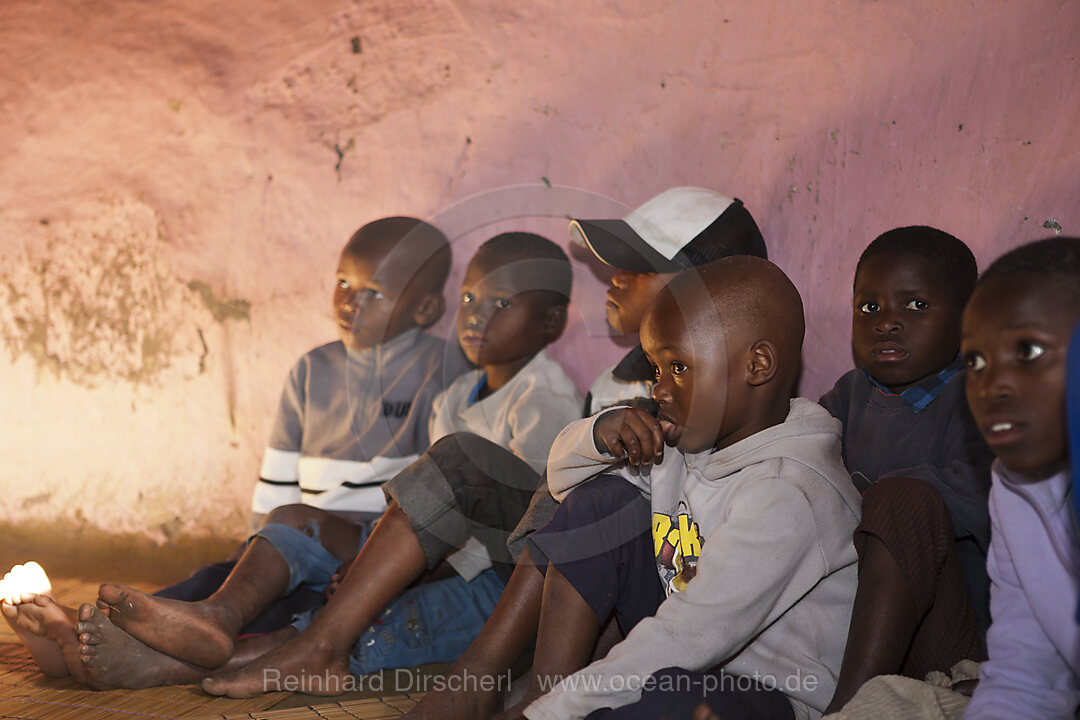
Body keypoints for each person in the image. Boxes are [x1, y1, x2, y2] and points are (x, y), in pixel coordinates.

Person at [2, 231, 584, 691]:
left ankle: (152, 660)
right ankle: (132, 631)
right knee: (245, 561)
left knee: (340, 616)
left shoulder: (503, 387)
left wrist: (396, 566)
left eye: (500, 303)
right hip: (370, 546)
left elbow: (523, 517)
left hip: (434, 566)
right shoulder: (445, 392)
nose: (477, 315)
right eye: (471, 299)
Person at [405, 188, 769, 720]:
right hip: (592, 581)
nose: (615, 280)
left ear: (707, 293)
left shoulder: (731, 407)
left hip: (680, 591)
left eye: (638, 269)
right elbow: (559, 485)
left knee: (595, 497)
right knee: (580, 491)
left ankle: (503, 685)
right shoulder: (609, 385)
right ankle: (497, 683)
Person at [514, 256, 862, 720]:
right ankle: (546, 694)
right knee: (599, 504)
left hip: (767, 693)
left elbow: (691, 636)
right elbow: (561, 481)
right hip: (682, 652)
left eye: (678, 367)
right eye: (656, 371)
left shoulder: (788, 491)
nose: (659, 391)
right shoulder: (686, 445)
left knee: (672, 703)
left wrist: (549, 715)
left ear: (757, 365)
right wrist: (598, 435)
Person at [158, 216, 470, 634]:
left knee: (282, 561)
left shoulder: (440, 372)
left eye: (374, 293)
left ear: (426, 309)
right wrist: (257, 542)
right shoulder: (312, 370)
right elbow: (279, 476)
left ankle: (195, 629)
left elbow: (444, 492)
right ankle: (126, 624)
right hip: (298, 538)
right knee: (219, 578)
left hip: (377, 548)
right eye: (343, 283)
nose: (350, 303)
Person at [820, 227, 993, 712]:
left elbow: (983, 496)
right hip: (854, 622)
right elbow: (797, 456)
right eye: (869, 308)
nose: (887, 323)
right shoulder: (847, 397)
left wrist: (876, 499)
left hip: (950, 641)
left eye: (915, 306)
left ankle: (848, 708)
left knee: (903, 498)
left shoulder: (977, 399)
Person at [961, 237, 1080, 719]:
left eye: (1027, 350)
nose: (992, 386)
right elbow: (1025, 678)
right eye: (975, 362)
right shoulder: (1014, 490)